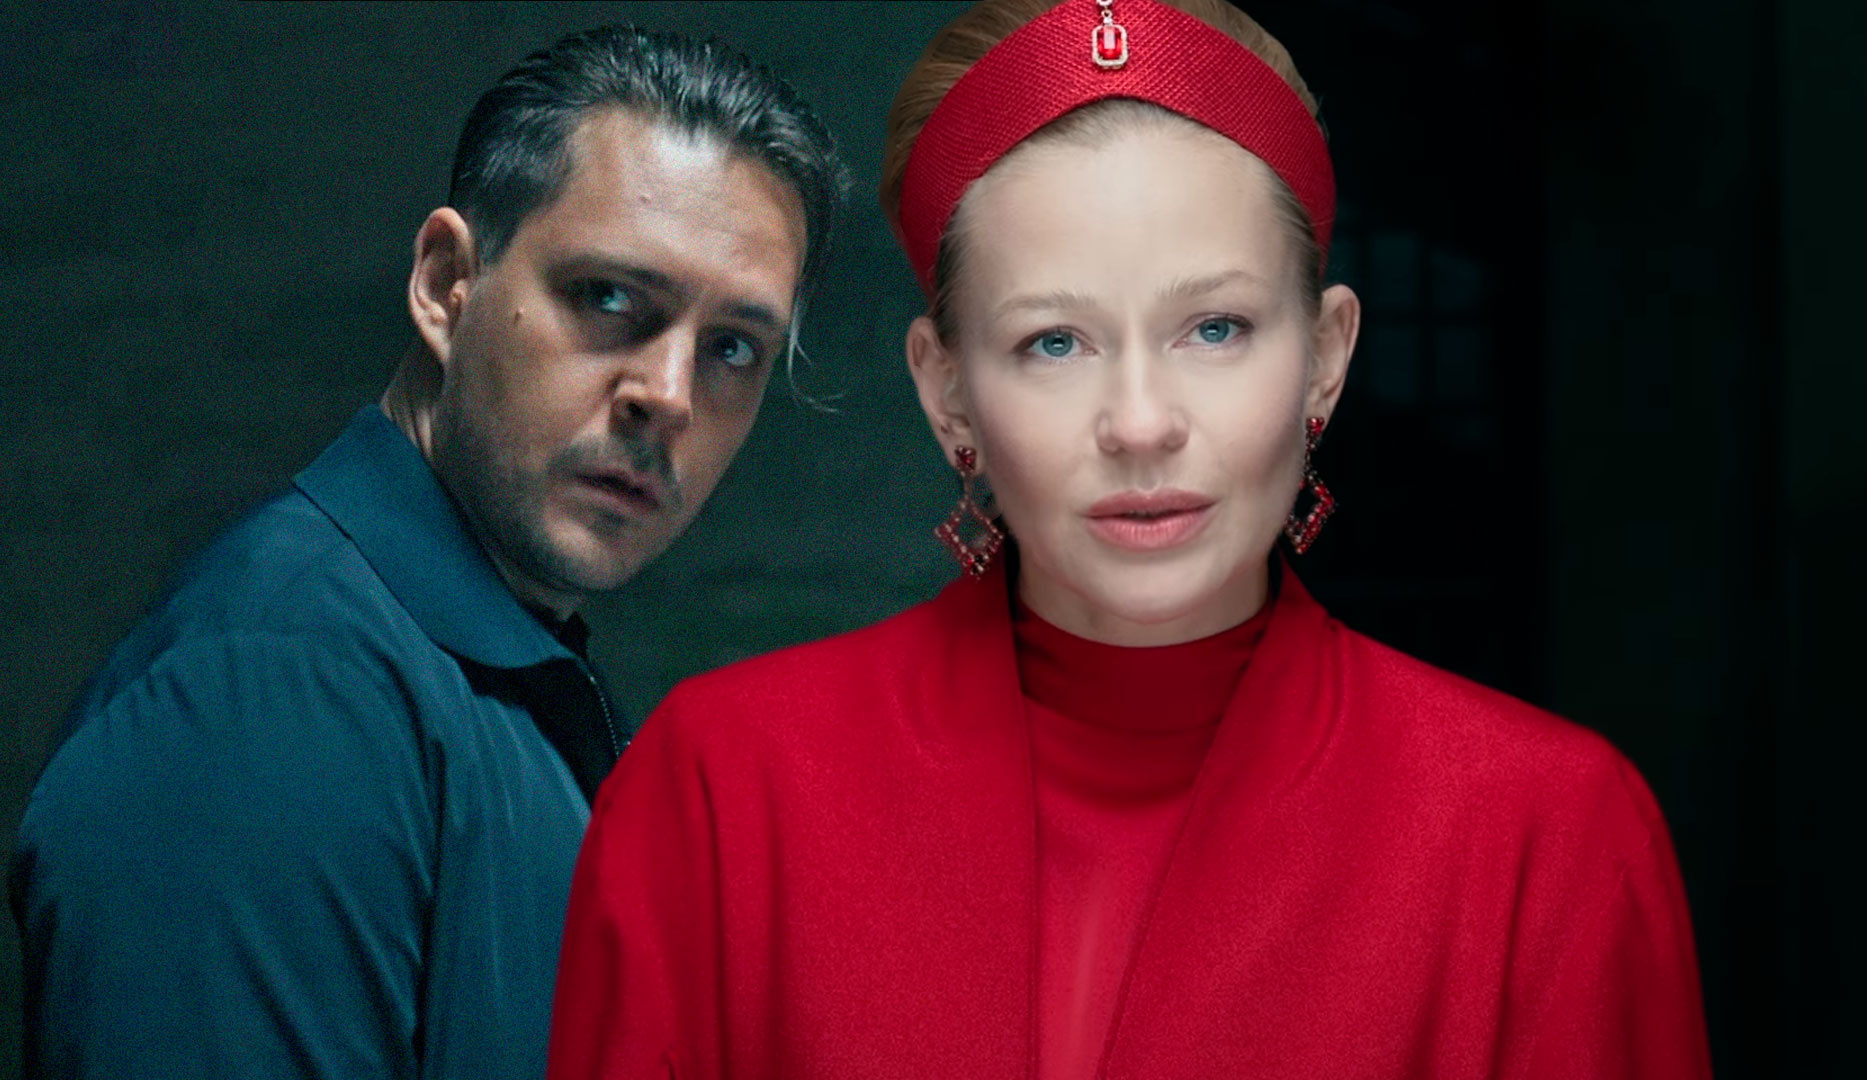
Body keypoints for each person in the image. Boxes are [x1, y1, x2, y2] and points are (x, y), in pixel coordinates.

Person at [547, 0, 1712, 1077]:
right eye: (1054, 343)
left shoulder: (1548, 840)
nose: (1142, 424)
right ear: (948, 394)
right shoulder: (720, 796)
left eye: (1216, 328)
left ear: (1325, 358)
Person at [9, 23, 845, 1080]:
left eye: (732, 347)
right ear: (448, 283)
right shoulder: (278, 696)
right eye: (608, 298)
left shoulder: (501, 690)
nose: (668, 396)